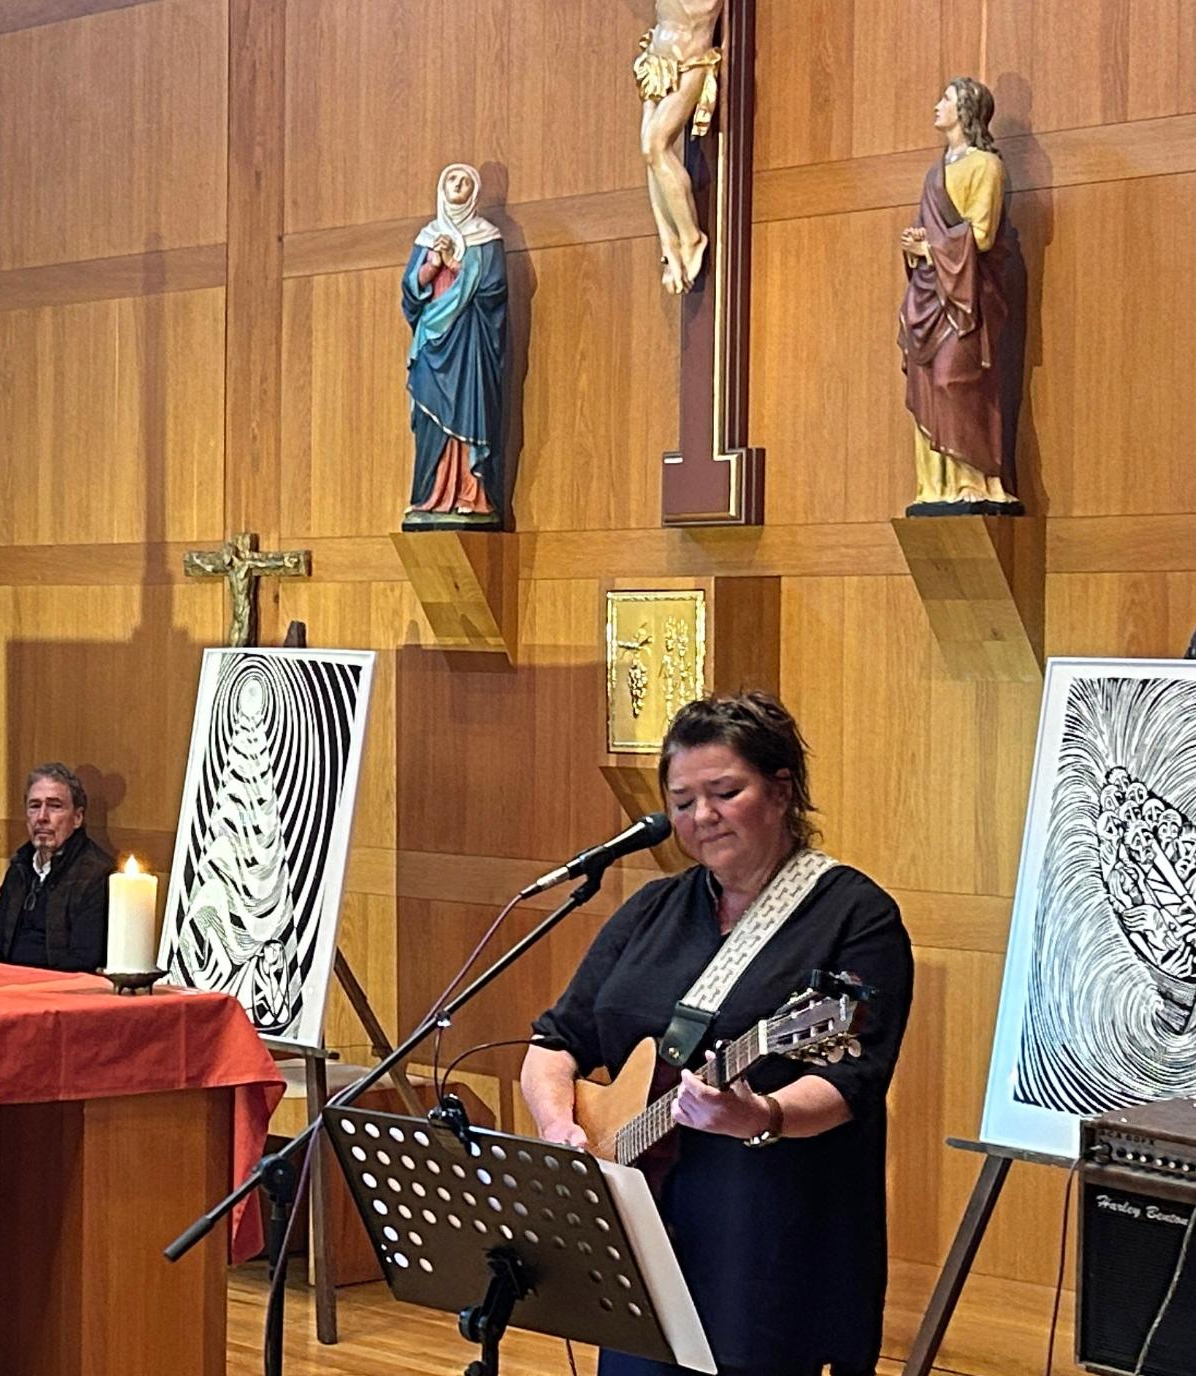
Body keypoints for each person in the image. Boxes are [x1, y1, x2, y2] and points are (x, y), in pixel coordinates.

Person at [521, 692, 914, 1376]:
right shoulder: (654, 907)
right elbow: (555, 1043)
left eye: (724, 792)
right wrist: (561, 1128)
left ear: (781, 789)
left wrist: (760, 1115)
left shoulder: (854, 915)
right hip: (644, 1238)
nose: (700, 817)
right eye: (680, 802)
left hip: (768, 1248)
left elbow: (851, 1080)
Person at [899, 76, 1021, 515]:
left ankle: (976, 478)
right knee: (928, 382)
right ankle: (937, 485)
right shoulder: (937, 170)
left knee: (956, 381)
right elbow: (936, 228)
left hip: (967, 298)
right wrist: (917, 245)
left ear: (965, 110)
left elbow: (983, 235)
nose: (936, 106)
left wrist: (930, 249)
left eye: (945, 99)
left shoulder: (985, 166)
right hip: (932, 295)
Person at [401, 163, 511, 530]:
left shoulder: (486, 236)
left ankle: (470, 493)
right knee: (431, 418)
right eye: (452, 179)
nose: (458, 185)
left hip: (468, 342)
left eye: (465, 181)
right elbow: (410, 294)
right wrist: (432, 265)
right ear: (441, 187)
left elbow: (494, 289)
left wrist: (456, 264)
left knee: (469, 410)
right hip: (432, 343)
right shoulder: (427, 236)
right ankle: (431, 495)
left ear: (474, 192)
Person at [0, 764, 114, 972]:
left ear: (77, 818)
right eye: (34, 806)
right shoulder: (20, 866)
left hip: (58, 992)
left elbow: (83, 960)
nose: (42, 817)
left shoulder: (96, 874)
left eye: (54, 806)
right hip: (6, 988)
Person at [637, 0, 729, 292]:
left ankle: (691, 237)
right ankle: (670, 242)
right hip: (656, 58)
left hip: (692, 61)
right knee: (648, 151)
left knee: (655, 145)